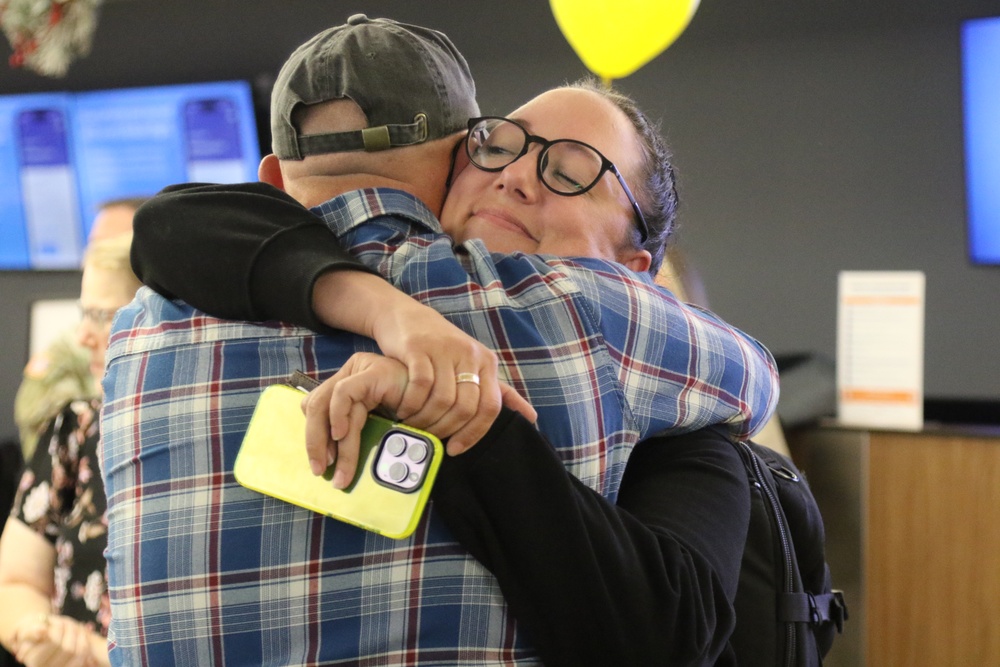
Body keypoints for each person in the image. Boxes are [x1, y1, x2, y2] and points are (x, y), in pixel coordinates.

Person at [102, 16, 775, 665]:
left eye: (571, 170)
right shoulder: (561, 318)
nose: (515, 174)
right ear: (457, 163)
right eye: (501, 144)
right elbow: (175, 221)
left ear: (638, 271)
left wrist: (451, 402)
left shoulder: (142, 322)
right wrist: (396, 318)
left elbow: (668, 636)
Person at [0, 199, 146, 667]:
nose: (84, 335)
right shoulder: (75, 427)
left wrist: (92, 654)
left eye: (101, 317)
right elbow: (14, 583)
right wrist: (38, 632)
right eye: (85, 313)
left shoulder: (221, 439)